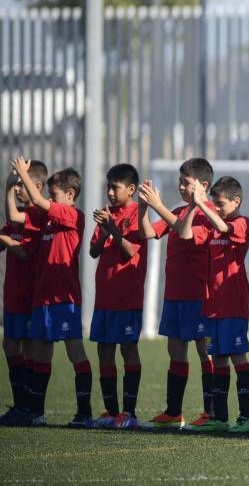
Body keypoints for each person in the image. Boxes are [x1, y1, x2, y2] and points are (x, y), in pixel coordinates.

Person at [9, 157, 92, 427]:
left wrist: (23, 173)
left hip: (63, 298)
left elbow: (41, 203)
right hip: (42, 299)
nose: (50, 199)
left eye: (54, 195)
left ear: (70, 195)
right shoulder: (46, 221)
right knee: (40, 356)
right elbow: (18, 215)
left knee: (75, 353)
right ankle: (36, 412)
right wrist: (12, 187)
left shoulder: (72, 215)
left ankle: (84, 413)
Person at [138, 158, 216, 429]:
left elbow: (184, 233)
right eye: (180, 181)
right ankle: (173, 412)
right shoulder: (179, 210)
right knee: (176, 350)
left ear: (203, 185)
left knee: (205, 351)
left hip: (199, 296)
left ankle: (211, 412)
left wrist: (158, 206)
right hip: (174, 294)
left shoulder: (210, 214)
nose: (181, 186)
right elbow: (148, 231)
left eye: (187, 182)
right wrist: (143, 207)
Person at [179, 176, 249, 433]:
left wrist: (201, 205)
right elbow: (184, 233)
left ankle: (247, 418)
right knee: (219, 359)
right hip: (212, 305)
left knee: (237, 358)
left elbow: (224, 228)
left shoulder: (242, 222)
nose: (216, 208)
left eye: (220, 204)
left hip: (233, 304)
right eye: (215, 203)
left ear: (236, 201)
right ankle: (220, 418)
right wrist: (194, 206)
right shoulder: (211, 226)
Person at [89, 164, 147, 430]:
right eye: (108, 186)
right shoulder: (107, 215)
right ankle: (111, 412)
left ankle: (129, 412)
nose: (110, 192)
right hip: (105, 297)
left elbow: (131, 252)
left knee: (128, 349)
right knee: (104, 350)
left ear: (131, 189)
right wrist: (103, 230)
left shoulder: (137, 214)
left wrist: (112, 228)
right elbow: (93, 252)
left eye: (116, 187)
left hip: (127, 296)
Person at [0, 160, 48, 426]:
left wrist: (6, 240)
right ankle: (20, 404)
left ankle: (32, 407)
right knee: (9, 345)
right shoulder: (16, 214)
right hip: (12, 294)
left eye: (20, 183)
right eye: (16, 183)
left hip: (32, 294)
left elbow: (24, 250)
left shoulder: (39, 216)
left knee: (30, 348)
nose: (18, 188)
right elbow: (8, 227)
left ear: (36, 186)